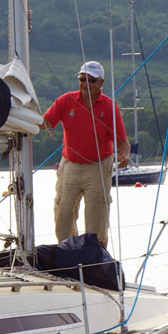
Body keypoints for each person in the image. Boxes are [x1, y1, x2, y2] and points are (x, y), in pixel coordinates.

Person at [40, 60, 129, 247]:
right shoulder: (66, 101)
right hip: (70, 165)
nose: (85, 84)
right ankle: (69, 251)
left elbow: (122, 141)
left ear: (101, 83)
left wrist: (123, 155)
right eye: (82, 79)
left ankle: (95, 255)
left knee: (96, 216)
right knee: (63, 215)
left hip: (98, 166)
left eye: (91, 80)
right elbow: (45, 122)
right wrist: (22, 119)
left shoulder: (109, 107)